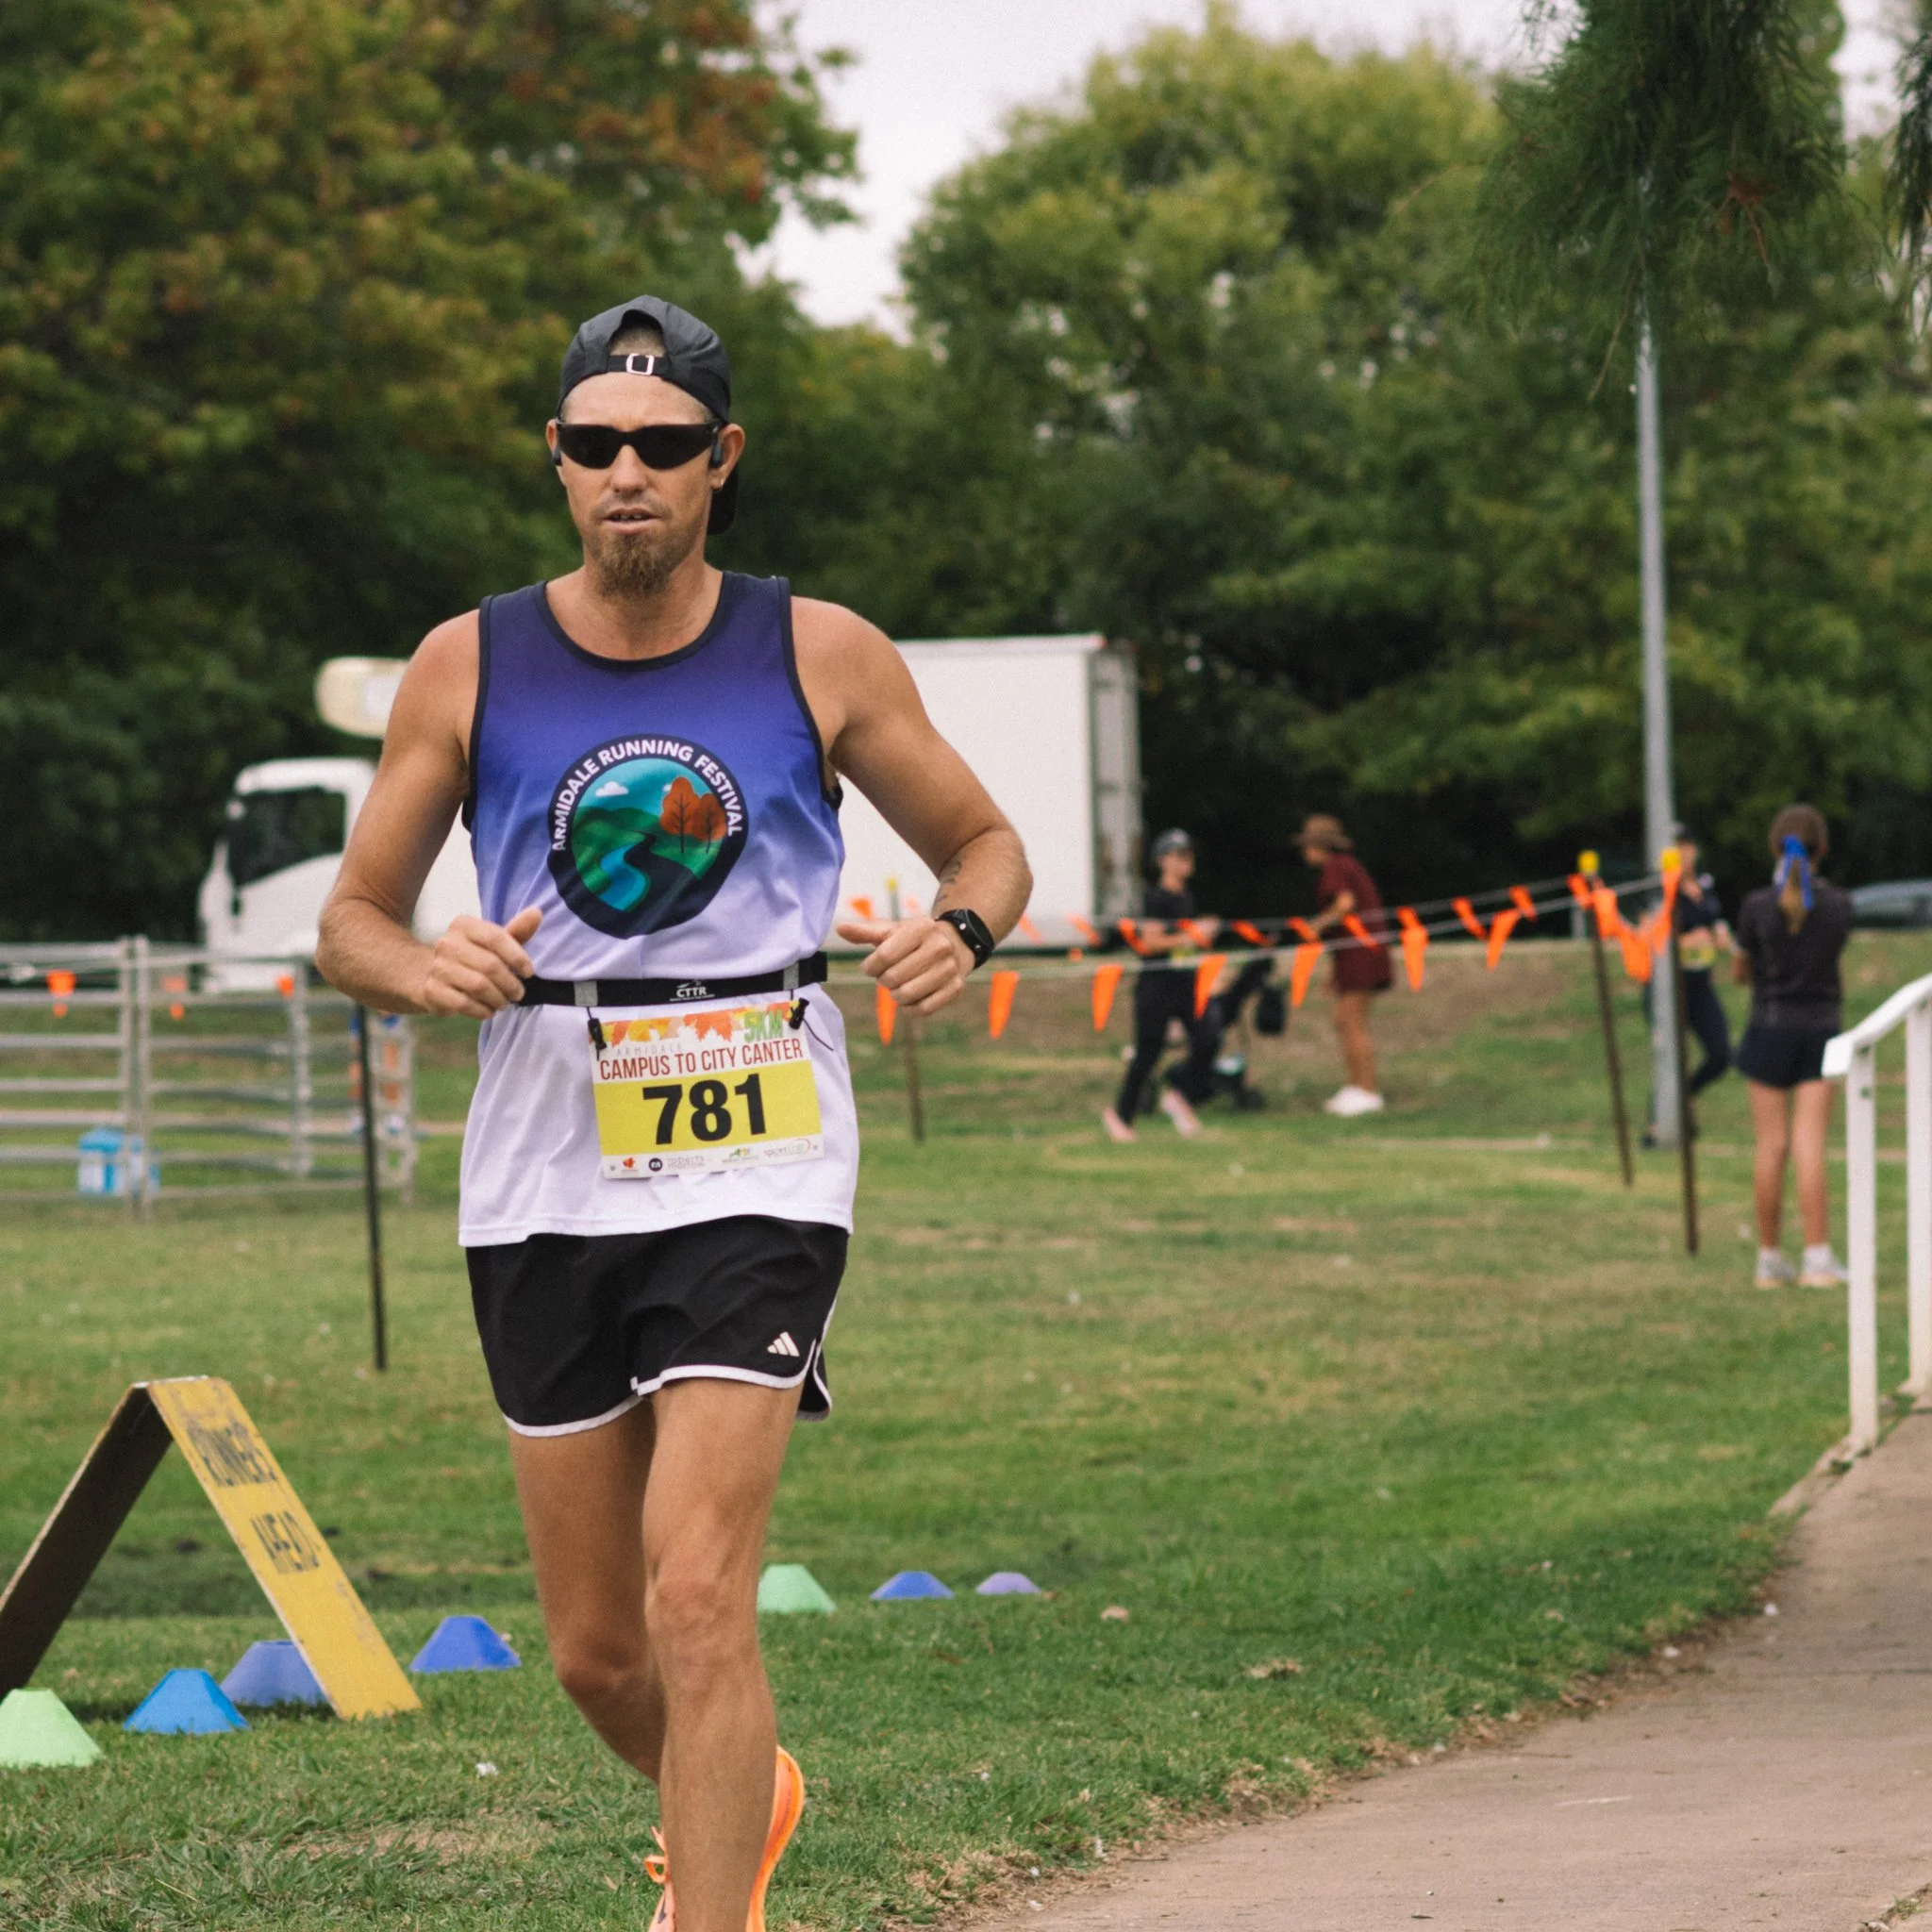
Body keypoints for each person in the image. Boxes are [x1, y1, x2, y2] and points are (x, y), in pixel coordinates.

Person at [313, 295, 1029, 1932]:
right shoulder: (468, 660)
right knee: (598, 1651)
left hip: (759, 1143)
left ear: (722, 458)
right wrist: (424, 964)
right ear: (558, 461)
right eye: (594, 443)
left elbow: (986, 843)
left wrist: (961, 926)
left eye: (660, 443)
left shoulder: (819, 650)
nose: (625, 470)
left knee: (699, 1591)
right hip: (543, 1153)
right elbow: (351, 920)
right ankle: (742, 1793)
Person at [1732, 805, 1852, 1291]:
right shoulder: (1840, 905)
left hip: (1768, 1027)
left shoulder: (1754, 907)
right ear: (1823, 849)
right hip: (1822, 1031)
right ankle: (1817, 1258)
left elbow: (1741, 971)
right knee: (1809, 1145)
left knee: (1771, 1145)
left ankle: (1769, 1260)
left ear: (1773, 847)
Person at [1101, 829, 1217, 1143]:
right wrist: (1192, 935)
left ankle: (1179, 1095)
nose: (1186, 861)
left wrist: (1200, 942)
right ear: (1163, 861)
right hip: (1157, 986)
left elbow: (1184, 945)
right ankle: (1121, 1116)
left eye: (1188, 854)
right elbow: (1150, 943)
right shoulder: (1157, 898)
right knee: (1148, 1053)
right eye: (1179, 855)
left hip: (1184, 982)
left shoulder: (1186, 897)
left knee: (1208, 1037)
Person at [1641, 826, 1734, 1146]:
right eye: (1676, 846)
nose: (1684, 852)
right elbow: (1648, 936)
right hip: (1668, 987)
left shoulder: (1705, 886)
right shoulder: (1658, 890)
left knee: (1721, 1052)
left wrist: (1720, 936)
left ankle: (1682, 1100)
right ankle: (1657, 1127)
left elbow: (1717, 921)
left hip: (1701, 985)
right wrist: (1683, 940)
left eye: (1687, 845)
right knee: (1671, 1057)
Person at [1298, 814, 1391, 1116]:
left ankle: (1368, 1091)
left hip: (1362, 955)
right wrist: (1333, 974)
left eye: (1308, 845)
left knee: (1353, 1021)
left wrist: (1315, 926)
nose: (1304, 851)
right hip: (1351, 957)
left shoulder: (1336, 867)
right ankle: (1355, 1086)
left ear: (1320, 846)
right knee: (1342, 1019)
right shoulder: (1344, 866)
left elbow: (1345, 905)